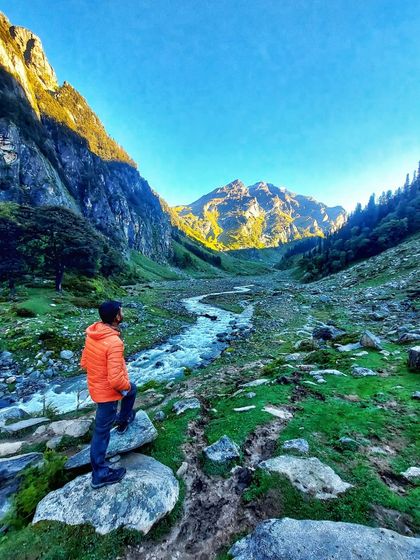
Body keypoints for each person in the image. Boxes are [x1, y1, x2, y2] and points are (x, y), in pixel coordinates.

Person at [80, 300, 137, 489]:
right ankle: (100, 474)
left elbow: (84, 362)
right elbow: (115, 380)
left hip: (96, 385)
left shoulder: (93, 332)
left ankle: (123, 420)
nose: (123, 312)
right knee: (101, 432)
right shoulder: (113, 342)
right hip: (107, 392)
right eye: (121, 310)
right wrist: (124, 385)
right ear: (116, 317)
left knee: (132, 390)